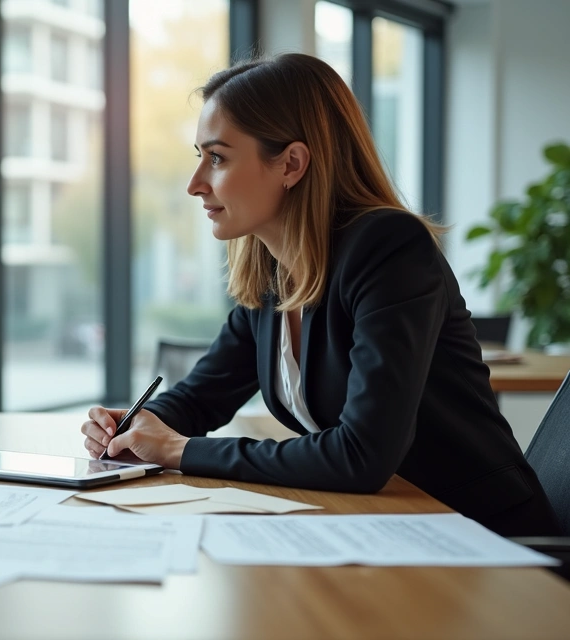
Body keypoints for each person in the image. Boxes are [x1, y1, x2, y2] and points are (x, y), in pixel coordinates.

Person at [81, 53, 559, 538]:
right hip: (384, 527)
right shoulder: (272, 269)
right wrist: (141, 423)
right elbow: (204, 395)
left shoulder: (388, 248)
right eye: (199, 156)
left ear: (291, 163)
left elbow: (362, 456)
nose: (195, 183)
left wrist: (177, 450)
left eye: (218, 158)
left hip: (481, 538)